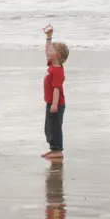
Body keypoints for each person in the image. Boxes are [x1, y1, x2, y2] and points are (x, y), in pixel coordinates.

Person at [41, 24, 68, 160]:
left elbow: (56, 89)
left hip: (55, 104)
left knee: (54, 128)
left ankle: (57, 150)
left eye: (51, 51)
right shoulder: (52, 65)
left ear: (57, 55)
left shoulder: (57, 71)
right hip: (51, 103)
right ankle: (53, 149)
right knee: (48, 128)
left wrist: (54, 105)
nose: (47, 52)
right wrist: (48, 38)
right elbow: (47, 49)